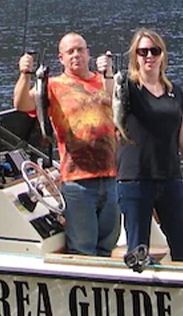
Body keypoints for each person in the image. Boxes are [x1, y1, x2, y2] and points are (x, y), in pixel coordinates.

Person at [12, 33, 119, 256]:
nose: (76, 55)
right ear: (61, 59)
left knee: (107, 247)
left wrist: (108, 72)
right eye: (70, 52)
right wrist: (25, 74)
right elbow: (22, 104)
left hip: (110, 178)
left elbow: (117, 105)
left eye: (80, 49)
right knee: (83, 249)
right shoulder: (52, 85)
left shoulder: (105, 81)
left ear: (89, 52)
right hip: (77, 182)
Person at [115, 28, 183, 264]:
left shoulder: (174, 92)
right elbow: (109, 98)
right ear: (135, 56)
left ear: (162, 55)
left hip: (170, 178)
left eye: (154, 51)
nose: (149, 57)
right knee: (138, 253)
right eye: (143, 52)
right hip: (135, 179)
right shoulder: (127, 88)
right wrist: (106, 73)